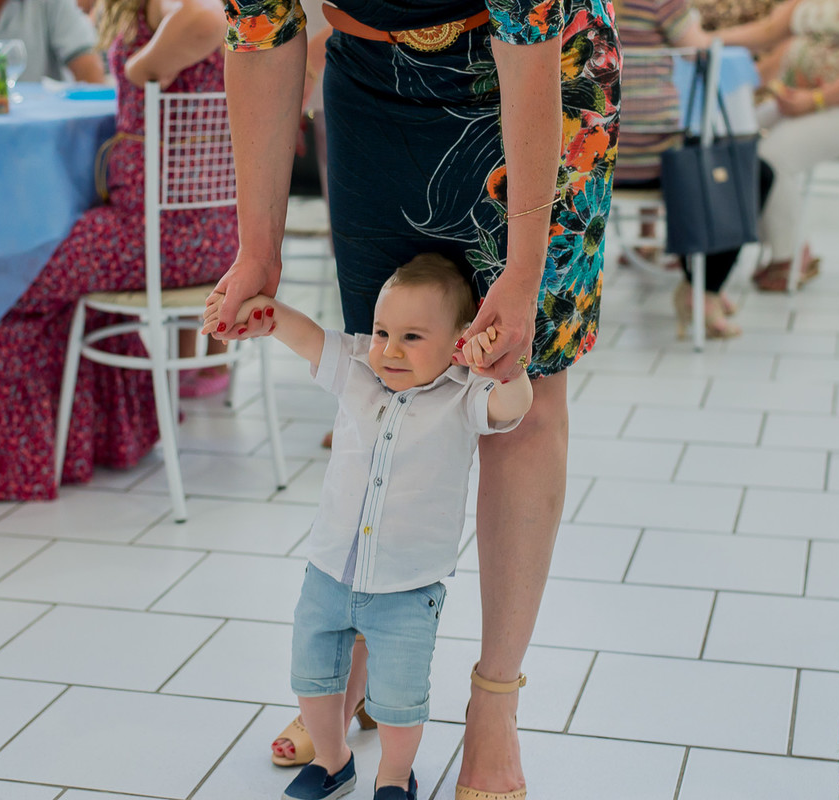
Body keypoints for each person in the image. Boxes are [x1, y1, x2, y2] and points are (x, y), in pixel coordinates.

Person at [210, 2, 620, 798]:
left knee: (517, 394)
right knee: (384, 366)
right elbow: (260, 31)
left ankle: (494, 701)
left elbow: (528, 46)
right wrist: (257, 244)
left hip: (543, 81)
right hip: (371, 82)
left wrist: (526, 267)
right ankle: (357, 676)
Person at [205, 254, 532, 800]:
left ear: (457, 341)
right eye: (382, 331)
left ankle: (394, 778)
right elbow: (310, 337)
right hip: (328, 572)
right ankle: (334, 763)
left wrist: (508, 370)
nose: (390, 349)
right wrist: (268, 312)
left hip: (407, 587)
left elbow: (512, 407)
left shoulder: (463, 396)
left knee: (400, 701)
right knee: (312, 682)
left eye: (411, 336)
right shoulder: (358, 367)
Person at [0, 0, 235, 500]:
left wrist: (134, 58)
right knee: (42, 258)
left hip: (161, 238)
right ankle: (98, 441)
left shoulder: (198, 15)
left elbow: (148, 67)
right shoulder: (188, 13)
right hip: (206, 233)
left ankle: (4, 469)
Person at [714, 0, 839, 291]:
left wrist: (817, 99)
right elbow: (770, 30)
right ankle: (710, 250)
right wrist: (706, 40)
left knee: (771, 156)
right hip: (804, 103)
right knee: (732, 139)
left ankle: (791, 256)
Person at [613, 0, 774, 338]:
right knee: (750, 174)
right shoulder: (660, 3)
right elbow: (699, 50)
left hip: (599, 161)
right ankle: (702, 290)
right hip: (658, 159)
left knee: (708, 174)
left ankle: (699, 286)